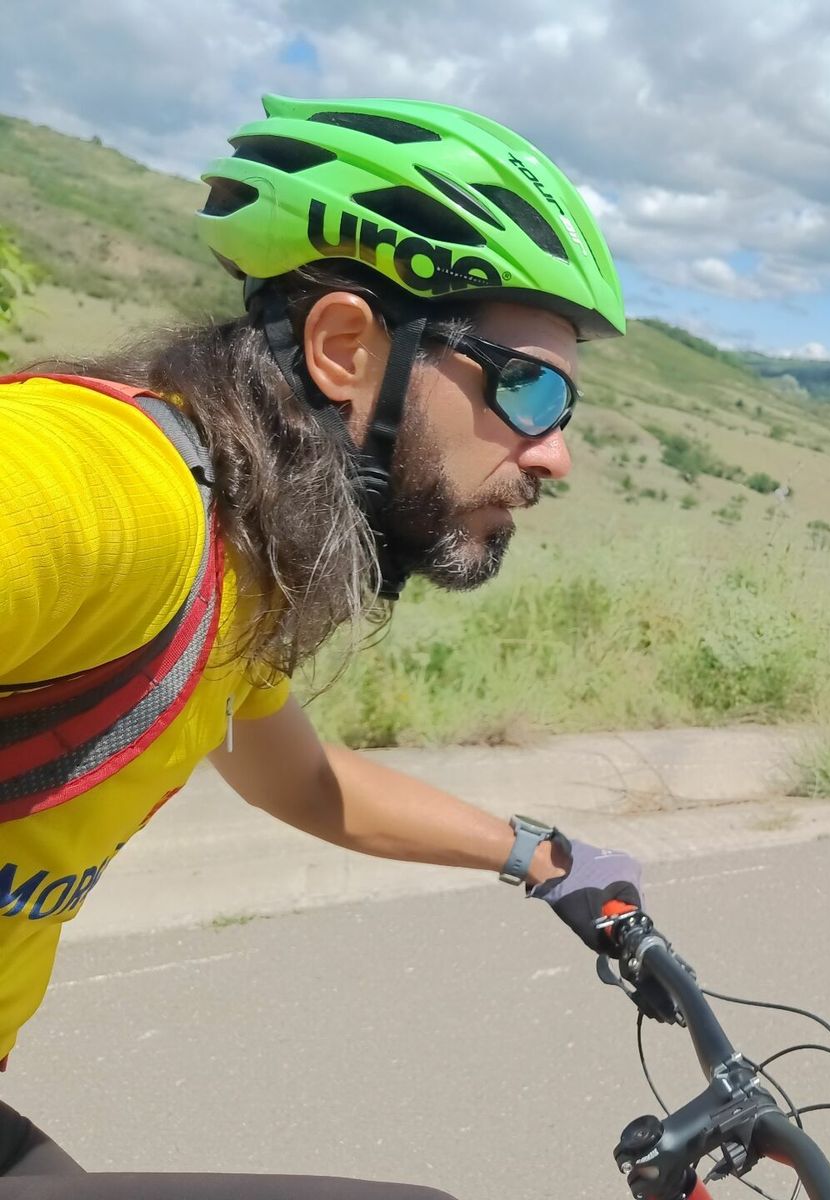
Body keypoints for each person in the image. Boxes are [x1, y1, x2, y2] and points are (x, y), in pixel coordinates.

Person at [0, 94, 642, 1196]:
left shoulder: (236, 568)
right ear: (345, 349)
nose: (555, 456)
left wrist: (542, 859)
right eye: (528, 389)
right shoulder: (122, 490)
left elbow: (302, 781)